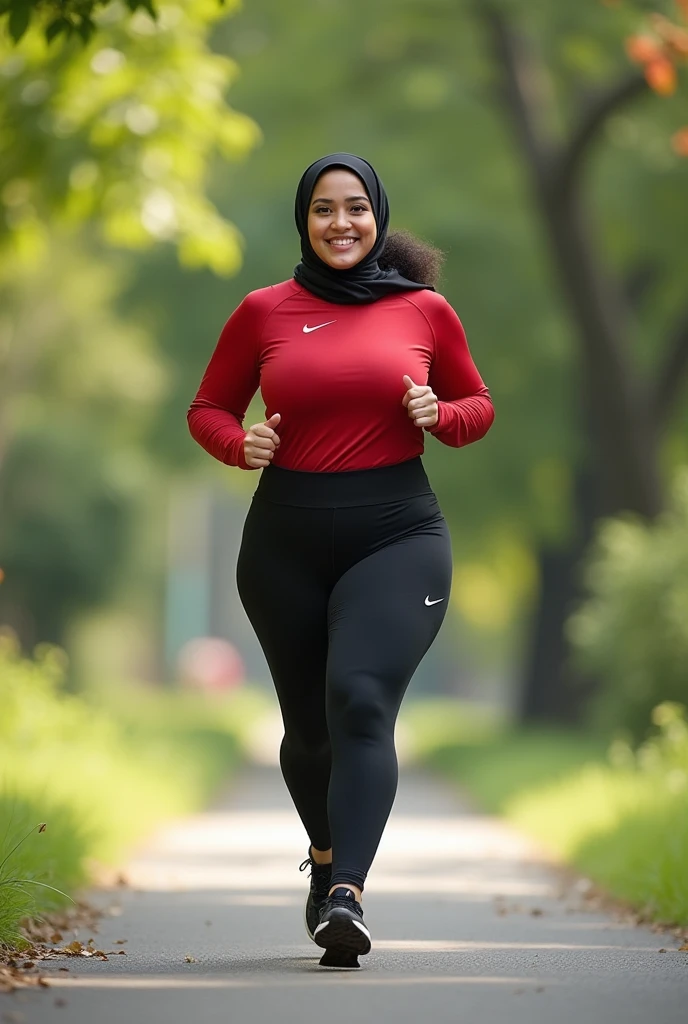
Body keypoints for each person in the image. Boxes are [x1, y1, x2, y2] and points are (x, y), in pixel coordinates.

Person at [187, 153, 494, 967]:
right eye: (324, 210)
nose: (341, 223)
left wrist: (441, 412)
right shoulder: (263, 311)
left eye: (355, 208)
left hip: (397, 533)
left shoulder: (426, 311)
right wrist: (236, 442)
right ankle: (323, 863)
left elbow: (478, 407)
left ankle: (349, 893)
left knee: (359, 700)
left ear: (377, 215)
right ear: (305, 221)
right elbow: (209, 406)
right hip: (284, 540)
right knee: (308, 730)